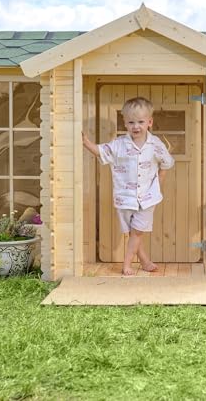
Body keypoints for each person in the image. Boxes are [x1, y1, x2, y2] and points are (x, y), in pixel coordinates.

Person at [82, 97, 175, 276]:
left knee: (137, 232)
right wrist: (86, 142)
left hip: (148, 199)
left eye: (140, 122)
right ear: (125, 123)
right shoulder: (119, 145)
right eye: (131, 122)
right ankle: (145, 261)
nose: (136, 126)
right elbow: (102, 152)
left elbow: (166, 164)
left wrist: (157, 187)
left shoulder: (155, 144)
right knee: (133, 233)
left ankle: (127, 265)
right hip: (125, 197)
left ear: (150, 122)